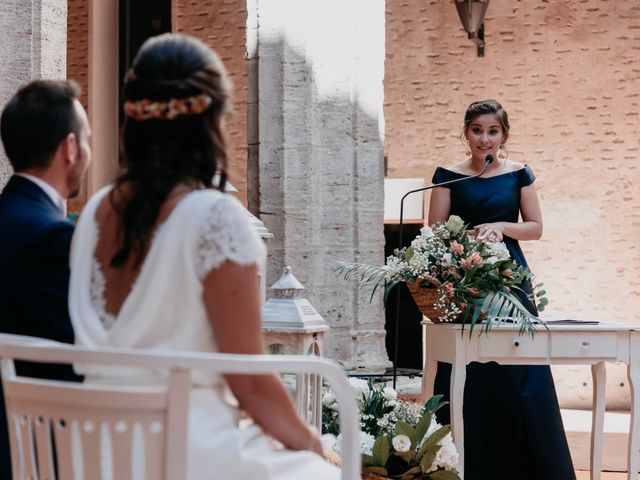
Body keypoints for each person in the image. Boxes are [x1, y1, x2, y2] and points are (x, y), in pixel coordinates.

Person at [68, 33, 339, 480]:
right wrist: (317, 447)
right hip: (185, 455)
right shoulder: (215, 218)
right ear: (211, 120)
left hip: (98, 455)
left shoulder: (94, 212)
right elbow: (249, 383)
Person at [428, 99, 575, 480]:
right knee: (469, 365)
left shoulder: (519, 173)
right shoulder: (448, 175)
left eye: (493, 131)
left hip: (512, 278)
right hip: (465, 278)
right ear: (466, 133)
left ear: (503, 136)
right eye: (477, 130)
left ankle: (532, 466)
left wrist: (502, 226)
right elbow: (435, 233)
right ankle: (459, 463)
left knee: (521, 364)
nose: (484, 138)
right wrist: (467, 240)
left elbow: (536, 227)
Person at [0, 79, 91, 478]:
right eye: (86, 138)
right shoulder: (54, 237)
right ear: (70, 148)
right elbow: (77, 356)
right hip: (36, 450)